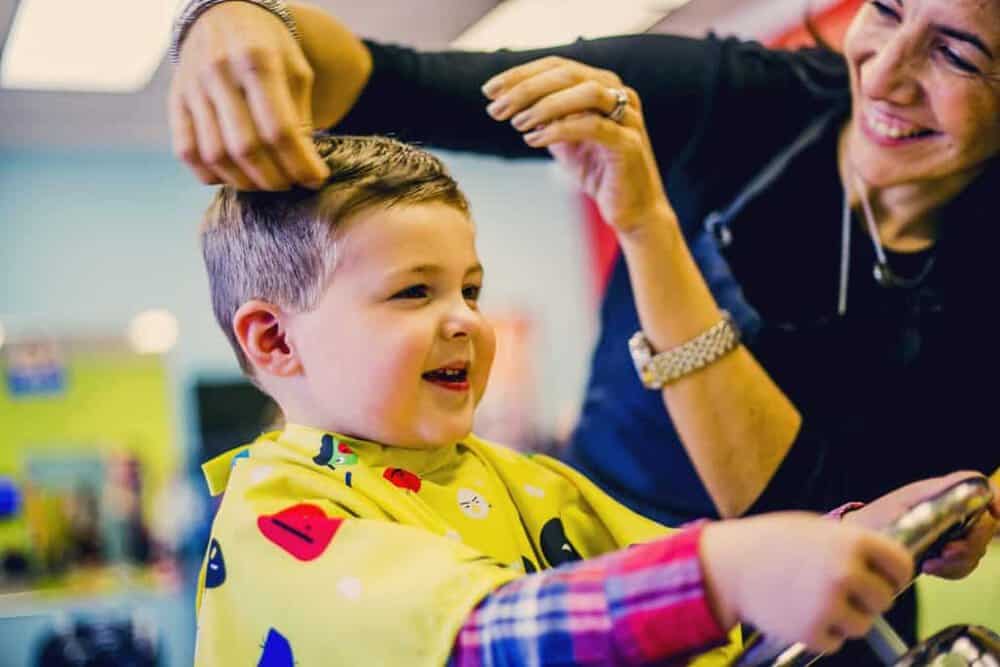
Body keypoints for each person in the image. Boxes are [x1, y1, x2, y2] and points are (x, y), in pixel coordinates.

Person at [169, 0, 1000, 657]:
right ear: (274, 340)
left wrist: (861, 530)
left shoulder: (515, 481)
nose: (887, 72)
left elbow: (666, 564)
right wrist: (233, 15)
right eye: (412, 292)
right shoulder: (282, 514)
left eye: (470, 286)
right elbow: (492, 634)